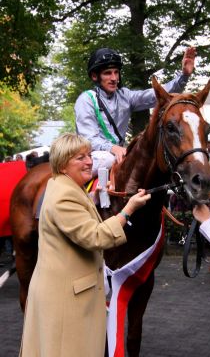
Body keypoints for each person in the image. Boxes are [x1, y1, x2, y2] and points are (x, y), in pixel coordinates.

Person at [19, 132, 151, 357]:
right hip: (66, 301)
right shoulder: (64, 196)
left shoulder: (64, 187)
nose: (89, 161)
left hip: (67, 295)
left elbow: (76, 215)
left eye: (89, 155)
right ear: (62, 165)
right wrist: (128, 210)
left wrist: (94, 198)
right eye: (80, 158)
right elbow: (95, 237)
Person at [75, 46, 196, 175]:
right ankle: (87, 194)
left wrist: (184, 76)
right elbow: (88, 139)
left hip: (119, 153)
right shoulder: (86, 100)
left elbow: (159, 94)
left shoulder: (125, 96)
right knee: (107, 159)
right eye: (108, 73)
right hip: (91, 156)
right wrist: (112, 148)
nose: (114, 78)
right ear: (94, 76)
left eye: (116, 72)